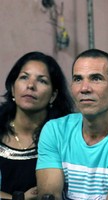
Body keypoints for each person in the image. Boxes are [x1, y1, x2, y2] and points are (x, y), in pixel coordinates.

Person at [36, 49, 108, 200]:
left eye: (96, 78)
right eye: (78, 79)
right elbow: (50, 196)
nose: (84, 88)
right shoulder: (55, 130)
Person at [0, 51, 74, 199]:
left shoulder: (63, 135)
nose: (30, 85)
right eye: (24, 77)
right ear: (13, 88)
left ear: (53, 95)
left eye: (42, 81)